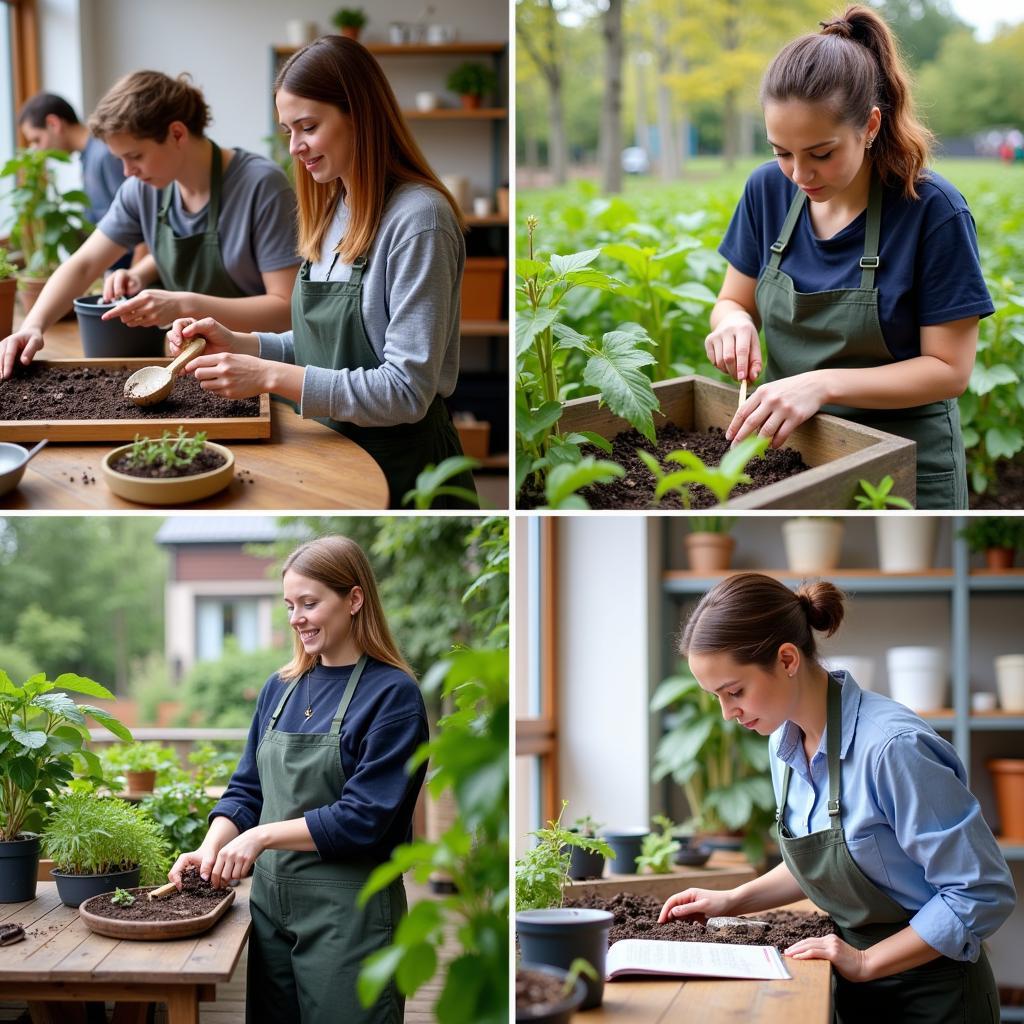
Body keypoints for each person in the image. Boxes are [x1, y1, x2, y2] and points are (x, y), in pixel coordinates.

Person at [658, 573, 1015, 1023]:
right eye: (716, 697)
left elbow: (980, 892)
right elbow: (829, 858)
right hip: (857, 989)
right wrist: (732, 900)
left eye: (735, 692)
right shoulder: (782, 741)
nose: (728, 714)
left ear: (787, 659)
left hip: (935, 997)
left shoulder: (892, 749)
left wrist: (866, 962)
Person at [162, 36, 477, 508]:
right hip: (333, 455)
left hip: (404, 474)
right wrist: (239, 343)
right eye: (288, 130)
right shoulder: (334, 209)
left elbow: (406, 391)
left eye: (307, 126)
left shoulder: (420, 221)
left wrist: (266, 375)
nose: (294, 147)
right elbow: (319, 348)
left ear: (359, 114)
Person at [705, 5, 992, 509]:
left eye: (821, 153)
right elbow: (732, 300)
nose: (798, 174)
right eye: (781, 152)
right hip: (792, 453)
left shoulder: (933, 212)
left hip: (904, 464)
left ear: (871, 125)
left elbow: (950, 370)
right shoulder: (765, 191)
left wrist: (819, 384)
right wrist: (733, 323)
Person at [169, 535, 427, 1024]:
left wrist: (262, 836)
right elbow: (247, 789)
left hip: (350, 913)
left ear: (354, 599)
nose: (296, 618)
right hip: (270, 908)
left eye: (309, 603)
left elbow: (363, 818)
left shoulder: (393, 695)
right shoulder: (280, 687)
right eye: (290, 605)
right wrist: (211, 847)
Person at [0, 70, 299, 377]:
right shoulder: (143, 189)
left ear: (177, 134)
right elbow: (85, 263)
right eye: (121, 160)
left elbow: (285, 309)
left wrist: (185, 305)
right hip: (192, 363)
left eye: (135, 156)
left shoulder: (261, 186)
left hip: (261, 372)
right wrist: (32, 326)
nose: (128, 172)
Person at [17, 92, 136, 271]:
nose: (38, 149)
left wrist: (134, 279)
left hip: (127, 267)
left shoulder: (105, 154)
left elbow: (141, 219)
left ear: (53, 124)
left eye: (37, 139)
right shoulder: (88, 156)